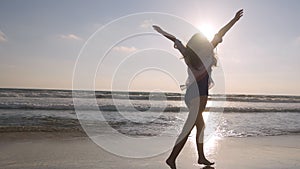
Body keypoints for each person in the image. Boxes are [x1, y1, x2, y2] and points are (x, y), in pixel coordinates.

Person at [153, 9, 243, 169]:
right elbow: (220, 32)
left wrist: (162, 32)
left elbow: (175, 39)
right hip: (199, 93)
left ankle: (201, 157)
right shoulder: (208, 50)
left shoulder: (189, 54)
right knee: (190, 126)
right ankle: (172, 158)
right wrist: (234, 20)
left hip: (191, 95)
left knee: (200, 125)